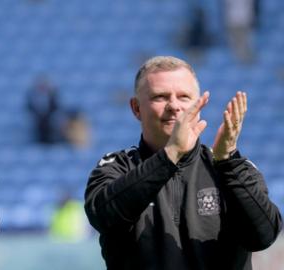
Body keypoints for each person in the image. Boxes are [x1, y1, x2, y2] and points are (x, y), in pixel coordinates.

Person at [84, 56, 282, 269]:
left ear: (200, 104)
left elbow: (263, 236)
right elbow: (103, 217)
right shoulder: (117, 166)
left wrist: (228, 162)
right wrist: (171, 154)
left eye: (184, 97)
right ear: (136, 108)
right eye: (160, 97)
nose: (174, 106)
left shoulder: (232, 168)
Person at [26, 75, 60, 144]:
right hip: (38, 128)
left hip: (50, 128)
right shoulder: (34, 97)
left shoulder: (52, 97)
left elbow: (55, 107)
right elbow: (29, 107)